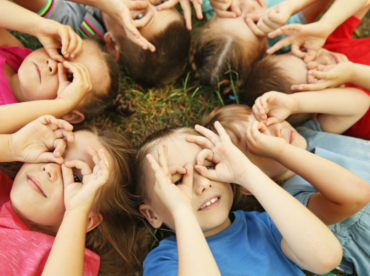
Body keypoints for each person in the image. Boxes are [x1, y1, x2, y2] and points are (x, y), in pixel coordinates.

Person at [132, 123, 342, 275]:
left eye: (208, 166)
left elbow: (326, 258)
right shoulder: (165, 261)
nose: (203, 184)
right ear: (152, 215)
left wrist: (246, 174)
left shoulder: (264, 226)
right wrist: (181, 209)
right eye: (177, 182)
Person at [202, 87, 370, 275]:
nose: (277, 128)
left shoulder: (307, 135)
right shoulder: (295, 202)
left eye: (266, 119)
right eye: (260, 139)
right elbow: (356, 194)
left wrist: (294, 103)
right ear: (249, 183)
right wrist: (281, 150)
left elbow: (361, 102)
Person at [0, 115, 146, 276]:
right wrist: (11, 146)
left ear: (87, 221)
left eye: (75, 178)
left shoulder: (64, 258)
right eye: (52, 151)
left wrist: (76, 211)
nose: (50, 169)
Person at [239, 4, 370, 139]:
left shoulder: (320, 48)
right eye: (317, 76)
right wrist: (353, 74)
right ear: (317, 104)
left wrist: (327, 23)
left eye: (304, 54)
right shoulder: (355, 120)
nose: (323, 60)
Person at [190, 0, 366, 93]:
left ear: (209, 18)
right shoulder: (287, 26)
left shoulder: (210, 3)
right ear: (266, 47)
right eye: (254, 22)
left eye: (230, 12)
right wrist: (291, 6)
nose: (247, 5)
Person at [0, 1, 122, 134]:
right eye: (60, 52)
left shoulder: (15, 132)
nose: (52, 64)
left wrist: (61, 105)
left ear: (69, 114)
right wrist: (37, 25)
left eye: (70, 77)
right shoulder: (13, 53)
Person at [13, 0, 194, 87]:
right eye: (160, 3)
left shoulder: (72, 25)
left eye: (139, 17)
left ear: (112, 45)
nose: (146, 2)